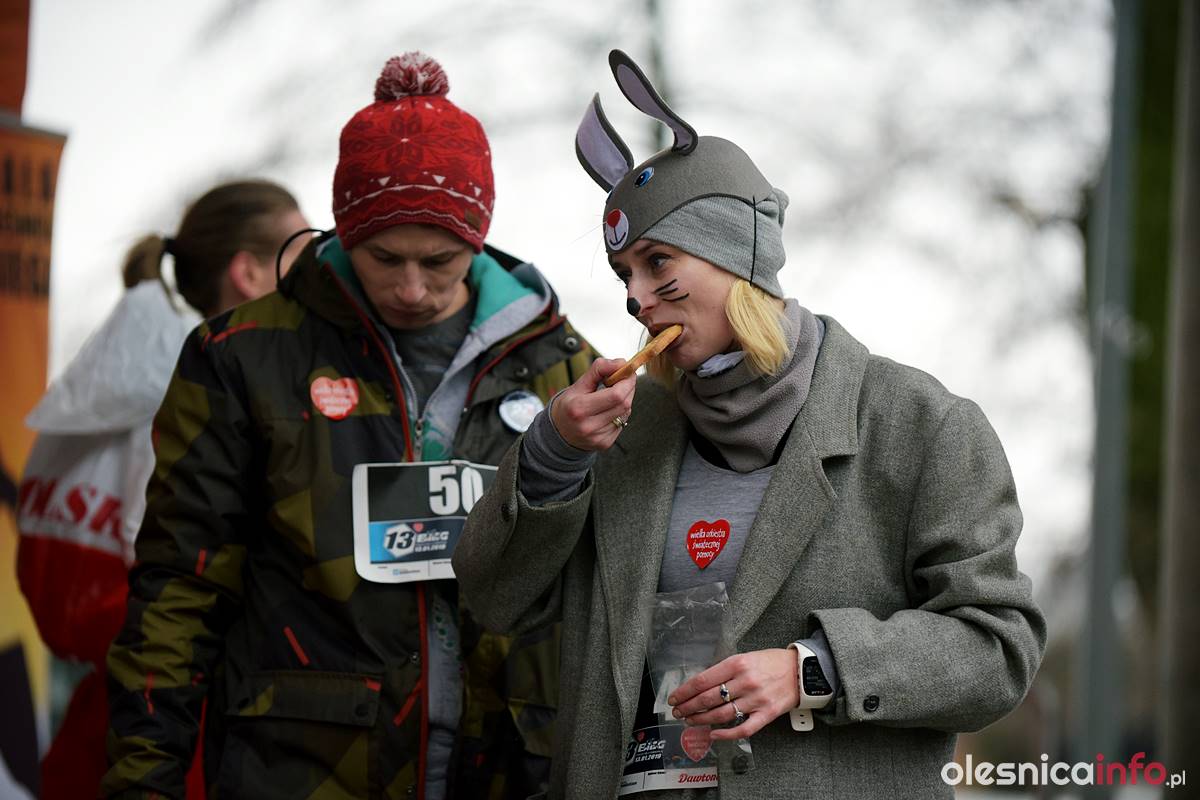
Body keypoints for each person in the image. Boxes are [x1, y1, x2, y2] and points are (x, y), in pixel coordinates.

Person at [453, 50, 1047, 799]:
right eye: (625, 275)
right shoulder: (620, 435)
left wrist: (813, 671)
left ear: (737, 254)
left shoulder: (921, 426)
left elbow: (999, 649)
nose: (636, 299)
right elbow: (493, 596)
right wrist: (552, 454)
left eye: (658, 263)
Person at [102, 53, 597, 800]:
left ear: (479, 238)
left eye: (439, 260)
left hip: (510, 767)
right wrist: (143, 783)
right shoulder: (240, 358)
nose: (412, 288)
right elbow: (179, 590)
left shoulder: (560, 364)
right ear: (343, 231)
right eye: (383, 257)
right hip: (302, 769)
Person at [16, 179, 308, 800]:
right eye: (302, 254)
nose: (320, 276)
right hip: (181, 741)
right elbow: (175, 600)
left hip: (103, 731)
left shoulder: (111, 383)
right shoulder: (195, 400)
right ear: (249, 274)